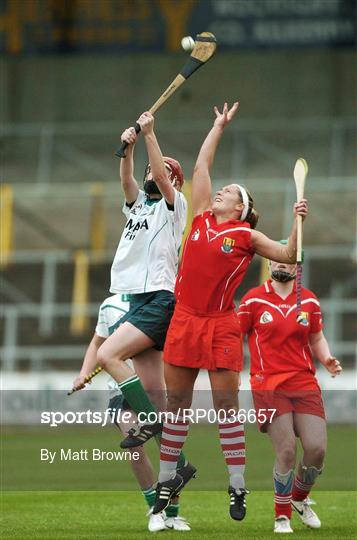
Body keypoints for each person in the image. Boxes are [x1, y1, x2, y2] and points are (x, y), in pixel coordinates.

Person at [123, 102, 309, 522]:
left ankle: (238, 487)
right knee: (177, 408)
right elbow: (203, 165)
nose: (222, 190)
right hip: (185, 320)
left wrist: (297, 222)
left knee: (227, 408)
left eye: (233, 191)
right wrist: (217, 126)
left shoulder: (245, 234)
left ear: (241, 208)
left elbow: (289, 254)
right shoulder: (203, 216)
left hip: (222, 324)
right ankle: (167, 495)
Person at [96, 111, 187, 441]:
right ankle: (178, 469)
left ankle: (152, 423)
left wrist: (149, 134)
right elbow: (126, 181)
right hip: (137, 298)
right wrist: (129, 148)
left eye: (157, 169)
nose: (152, 173)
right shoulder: (138, 206)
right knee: (152, 390)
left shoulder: (174, 205)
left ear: (174, 179)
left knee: (107, 355)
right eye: (148, 169)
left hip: (158, 296)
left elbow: (162, 179)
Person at [237, 246, 342, 533]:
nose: (281, 265)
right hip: (268, 384)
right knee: (285, 451)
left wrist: (327, 359)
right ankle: (281, 516)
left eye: (288, 261)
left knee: (316, 449)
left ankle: (299, 499)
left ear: (298, 267)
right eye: (275, 260)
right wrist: (232, 370)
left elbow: (316, 336)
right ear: (269, 264)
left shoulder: (308, 301)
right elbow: (236, 336)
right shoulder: (253, 300)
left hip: (304, 382)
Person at [73, 293, 192, 532]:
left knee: (168, 449)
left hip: (154, 389)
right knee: (134, 441)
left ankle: (172, 513)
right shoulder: (110, 304)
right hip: (121, 390)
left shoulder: (164, 300)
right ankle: (154, 509)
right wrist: (83, 372)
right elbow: (97, 342)